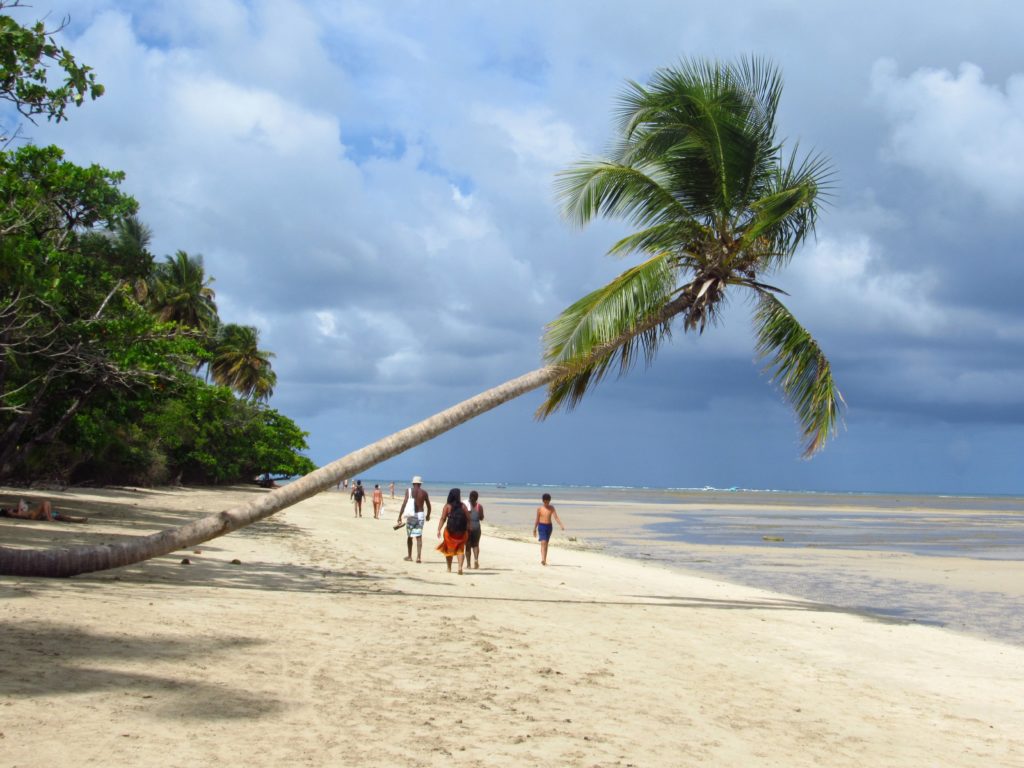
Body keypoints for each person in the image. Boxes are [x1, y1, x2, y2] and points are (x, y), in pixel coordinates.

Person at [396, 476, 431, 562]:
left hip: (411, 515)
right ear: (420, 484)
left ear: (413, 483)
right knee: (419, 536)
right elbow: (429, 506)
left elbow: (404, 503)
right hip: (420, 515)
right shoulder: (424, 492)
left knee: (410, 536)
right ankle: (418, 557)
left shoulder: (408, 491)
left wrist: (400, 515)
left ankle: (409, 556)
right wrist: (428, 515)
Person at [436, 488, 469, 575]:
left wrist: (439, 529)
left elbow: (443, 518)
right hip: (461, 533)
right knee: (460, 550)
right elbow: (468, 518)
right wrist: (468, 529)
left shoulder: (447, 506)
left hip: (450, 532)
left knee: (448, 549)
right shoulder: (463, 506)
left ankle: (449, 568)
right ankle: (460, 567)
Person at [533, 493, 565, 566]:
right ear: (543, 501)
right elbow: (537, 519)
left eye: (548, 502)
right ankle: (543, 560)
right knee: (543, 542)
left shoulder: (552, 508)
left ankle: (544, 559)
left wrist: (561, 525)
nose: (546, 503)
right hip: (541, 526)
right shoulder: (539, 509)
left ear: (549, 501)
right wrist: (534, 529)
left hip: (549, 527)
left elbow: (556, 517)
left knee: (546, 543)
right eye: (545, 502)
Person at [0, 498, 87, 523]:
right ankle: (49, 518)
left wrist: (20, 506)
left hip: (34, 514)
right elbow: (19, 515)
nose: (9, 508)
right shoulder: (11, 513)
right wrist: (19, 507)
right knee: (45, 503)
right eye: (8, 509)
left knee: (49, 504)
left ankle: (77, 520)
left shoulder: (17, 510)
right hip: (32, 516)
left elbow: (23, 504)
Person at [465, 490, 485, 570]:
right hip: (477, 527)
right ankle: (476, 560)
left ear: (470, 497)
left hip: (468, 527)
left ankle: (469, 565)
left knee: (468, 546)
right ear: (477, 498)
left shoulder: (466, 505)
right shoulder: (479, 506)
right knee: (476, 545)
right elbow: (481, 518)